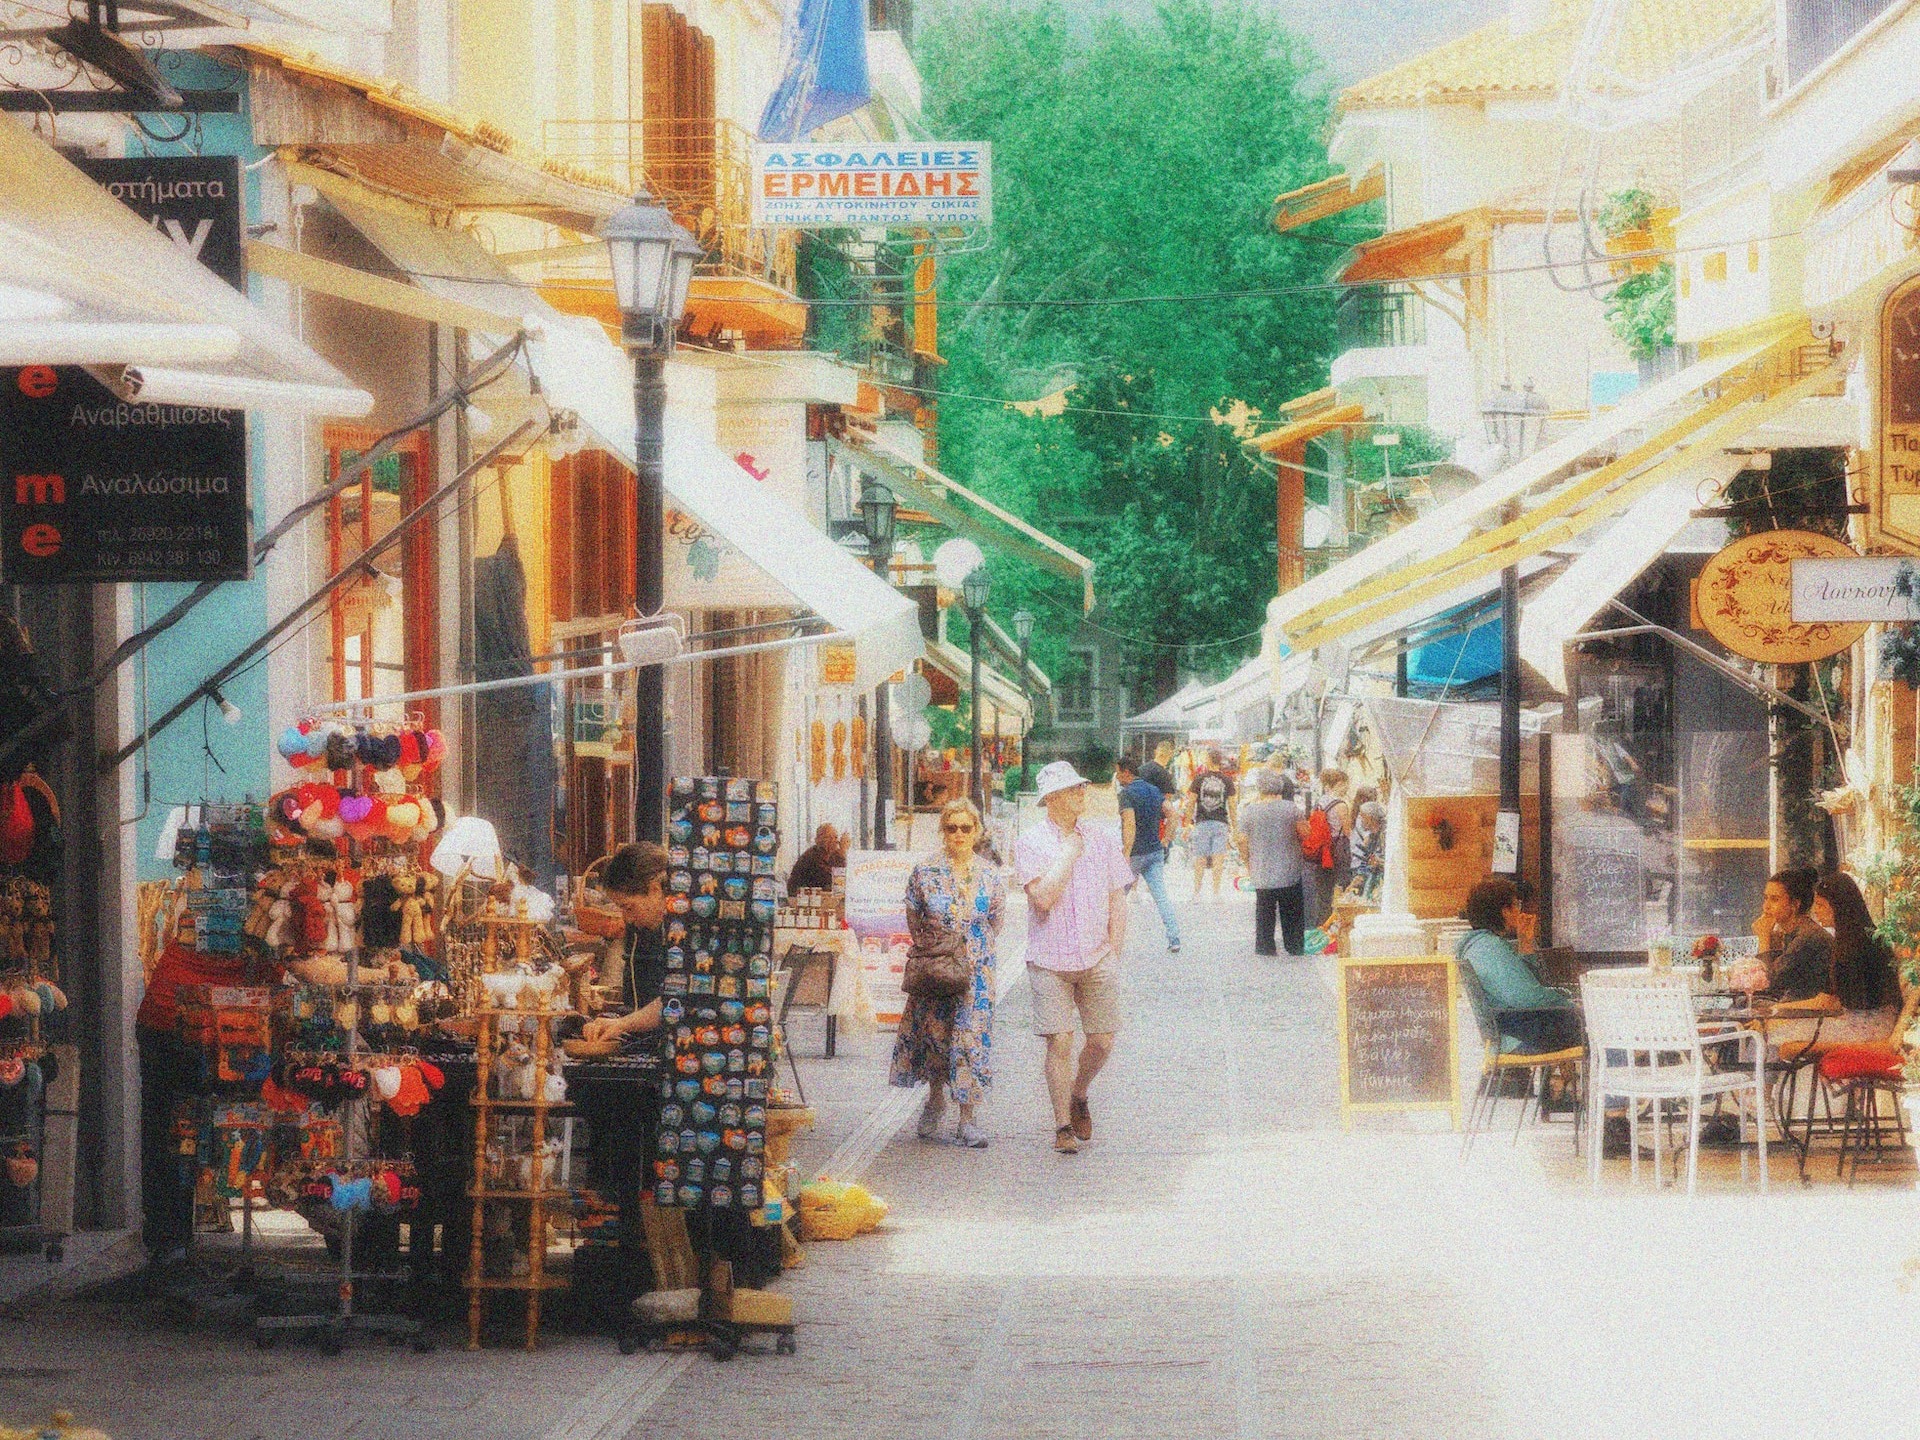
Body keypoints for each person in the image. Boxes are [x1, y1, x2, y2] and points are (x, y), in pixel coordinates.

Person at [1015, 760, 1132, 1155]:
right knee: (1059, 1040)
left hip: (1096, 956)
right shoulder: (1031, 842)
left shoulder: (1102, 838)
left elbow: (1118, 896)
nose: (1081, 794)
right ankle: (1062, 1124)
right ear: (1050, 798)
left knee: (1101, 1042)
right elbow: (1043, 899)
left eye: (1081, 787)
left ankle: (1079, 1091)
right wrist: (1067, 853)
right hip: (1049, 958)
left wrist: (1114, 952)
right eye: (1071, 790)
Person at [890, 797, 1006, 1148]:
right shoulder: (925, 871)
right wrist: (938, 950)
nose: (958, 834)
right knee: (936, 1037)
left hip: (977, 974)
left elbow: (996, 921)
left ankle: (967, 1119)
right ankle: (936, 1098)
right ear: (942, 831)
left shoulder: (989, 873)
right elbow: (913, 915)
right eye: (951, 827)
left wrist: (970, 951)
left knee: (970, 1040)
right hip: (936, 968)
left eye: (965, 828)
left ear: (977, 832)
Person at [1455, 877, 1581, 1054]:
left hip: (1507, 1030)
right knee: (1593, 1025)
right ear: (1504, 911)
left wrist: (1525, 943)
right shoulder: (1490, 949)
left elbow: (1524, 985)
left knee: (1582, 1021)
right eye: (1516, 905)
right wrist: (1569, 1004)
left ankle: (1566, 1081)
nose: (1519, 910)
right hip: (1516, 1036)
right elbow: (1527, 997)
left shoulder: (1479, 945)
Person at [580, 842, 672, 1044]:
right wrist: (621, 1022)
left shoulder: (685, 928)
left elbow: (675, 1000)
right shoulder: (655, 926)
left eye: (628, 907)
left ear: (655, 890)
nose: (626, 918)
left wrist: (623, 1024)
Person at [1236, 769, 1305, 957]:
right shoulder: (1292, 809)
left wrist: (1247, 860)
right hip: (1289, 868)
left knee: (1264, 909)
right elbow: (1305, 834)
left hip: (1261, 867)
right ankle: (1294, 945)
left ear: (1259, 789)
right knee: (1291, 909)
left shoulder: (1248, 812)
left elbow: (1241, 839)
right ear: (1280, 787)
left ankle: (1265, 946)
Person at [1116, 756, 1180, 954]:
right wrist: (1166, 841)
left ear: (1127, 772)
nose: (1116, 777)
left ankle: (1106, 938)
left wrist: (1126, 852)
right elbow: (1173, 815)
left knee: (1118, 897)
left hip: (1134, 854)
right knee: (1161, 896)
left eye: (1118, 772)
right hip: (1154, 851)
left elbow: (1129, 824)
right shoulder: (1154, 791)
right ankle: (1174, 938)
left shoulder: (1126, 794)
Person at [1754, 865, 1833, 1002]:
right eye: (1765, 898)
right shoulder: (1791, 932)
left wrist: (1764, 937)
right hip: (1793, 1005)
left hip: (1812, 1012)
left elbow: (1766, 982)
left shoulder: (1808, 936)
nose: (1766, 906)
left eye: (1774, 899)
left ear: (1795, 904)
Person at [1303, 768, 1353, 929]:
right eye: (1346, 784)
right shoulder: (1341, 805)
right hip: (1338, 851)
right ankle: (1339, 926)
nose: (1347, 788)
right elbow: (1347, 831)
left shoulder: (1320, 802)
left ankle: (1322, 926)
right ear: (1339, 784)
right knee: (1342, 887)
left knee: (1323, 892)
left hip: (1321, 852)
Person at [1185, 749, 1237, 900]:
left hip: (1202, 822)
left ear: (1208, 760)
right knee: (1218, 859)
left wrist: (1187, 823)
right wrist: (1235, 827)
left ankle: (1196, 893)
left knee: (1200, 859)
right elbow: (1232, 806)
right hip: (1221, 822)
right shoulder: (1228, 781)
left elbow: (1191, 803)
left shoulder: (1199, 779)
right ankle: (1216, 893)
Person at [787, 823, 845, 895]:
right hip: (804, 900)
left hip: (823, 899)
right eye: (829, 837)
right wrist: (843, 851)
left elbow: (846, 879)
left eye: (835, 837)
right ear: (817, 840)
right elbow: (832, 881)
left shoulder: (835, 855)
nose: (834, 841)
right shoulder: (811, 856)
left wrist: (842, 853)